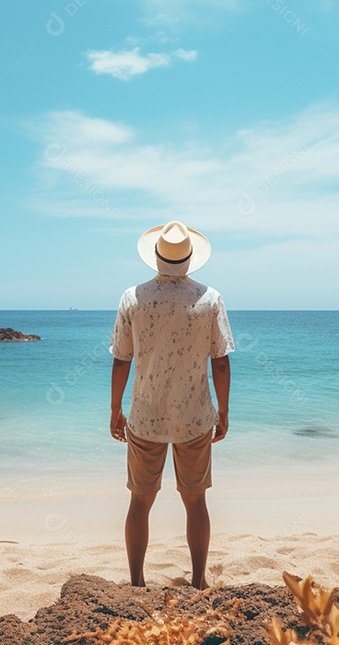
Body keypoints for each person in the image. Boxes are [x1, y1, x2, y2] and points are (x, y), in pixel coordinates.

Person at [109, 220, 234, 590]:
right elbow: (221, 360)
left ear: (156, 258)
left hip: (145, 416)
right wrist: (223, 411)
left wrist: (115, 409)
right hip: (194, 417)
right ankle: (198, 581)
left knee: (139, 502)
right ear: (190, 258)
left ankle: (136, 582)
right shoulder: (210, 298)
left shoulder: (132, 297)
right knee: (195, 502)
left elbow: (121, 359)